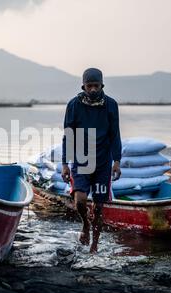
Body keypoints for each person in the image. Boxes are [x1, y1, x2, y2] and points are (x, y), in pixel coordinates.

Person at [61, 68, 122, 253]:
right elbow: (68, 135)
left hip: (103, 163)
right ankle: (85, 225)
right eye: (90, 86)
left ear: (102, 85)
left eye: (96, 85)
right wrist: (65, 163)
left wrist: (117, 161)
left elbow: (115, 134)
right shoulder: (74, 105)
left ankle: (95, 244)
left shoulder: (111, 105)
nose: (93, 89)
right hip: (81, 161)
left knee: (98, 207)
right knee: (80, 200)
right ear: (83, 86)